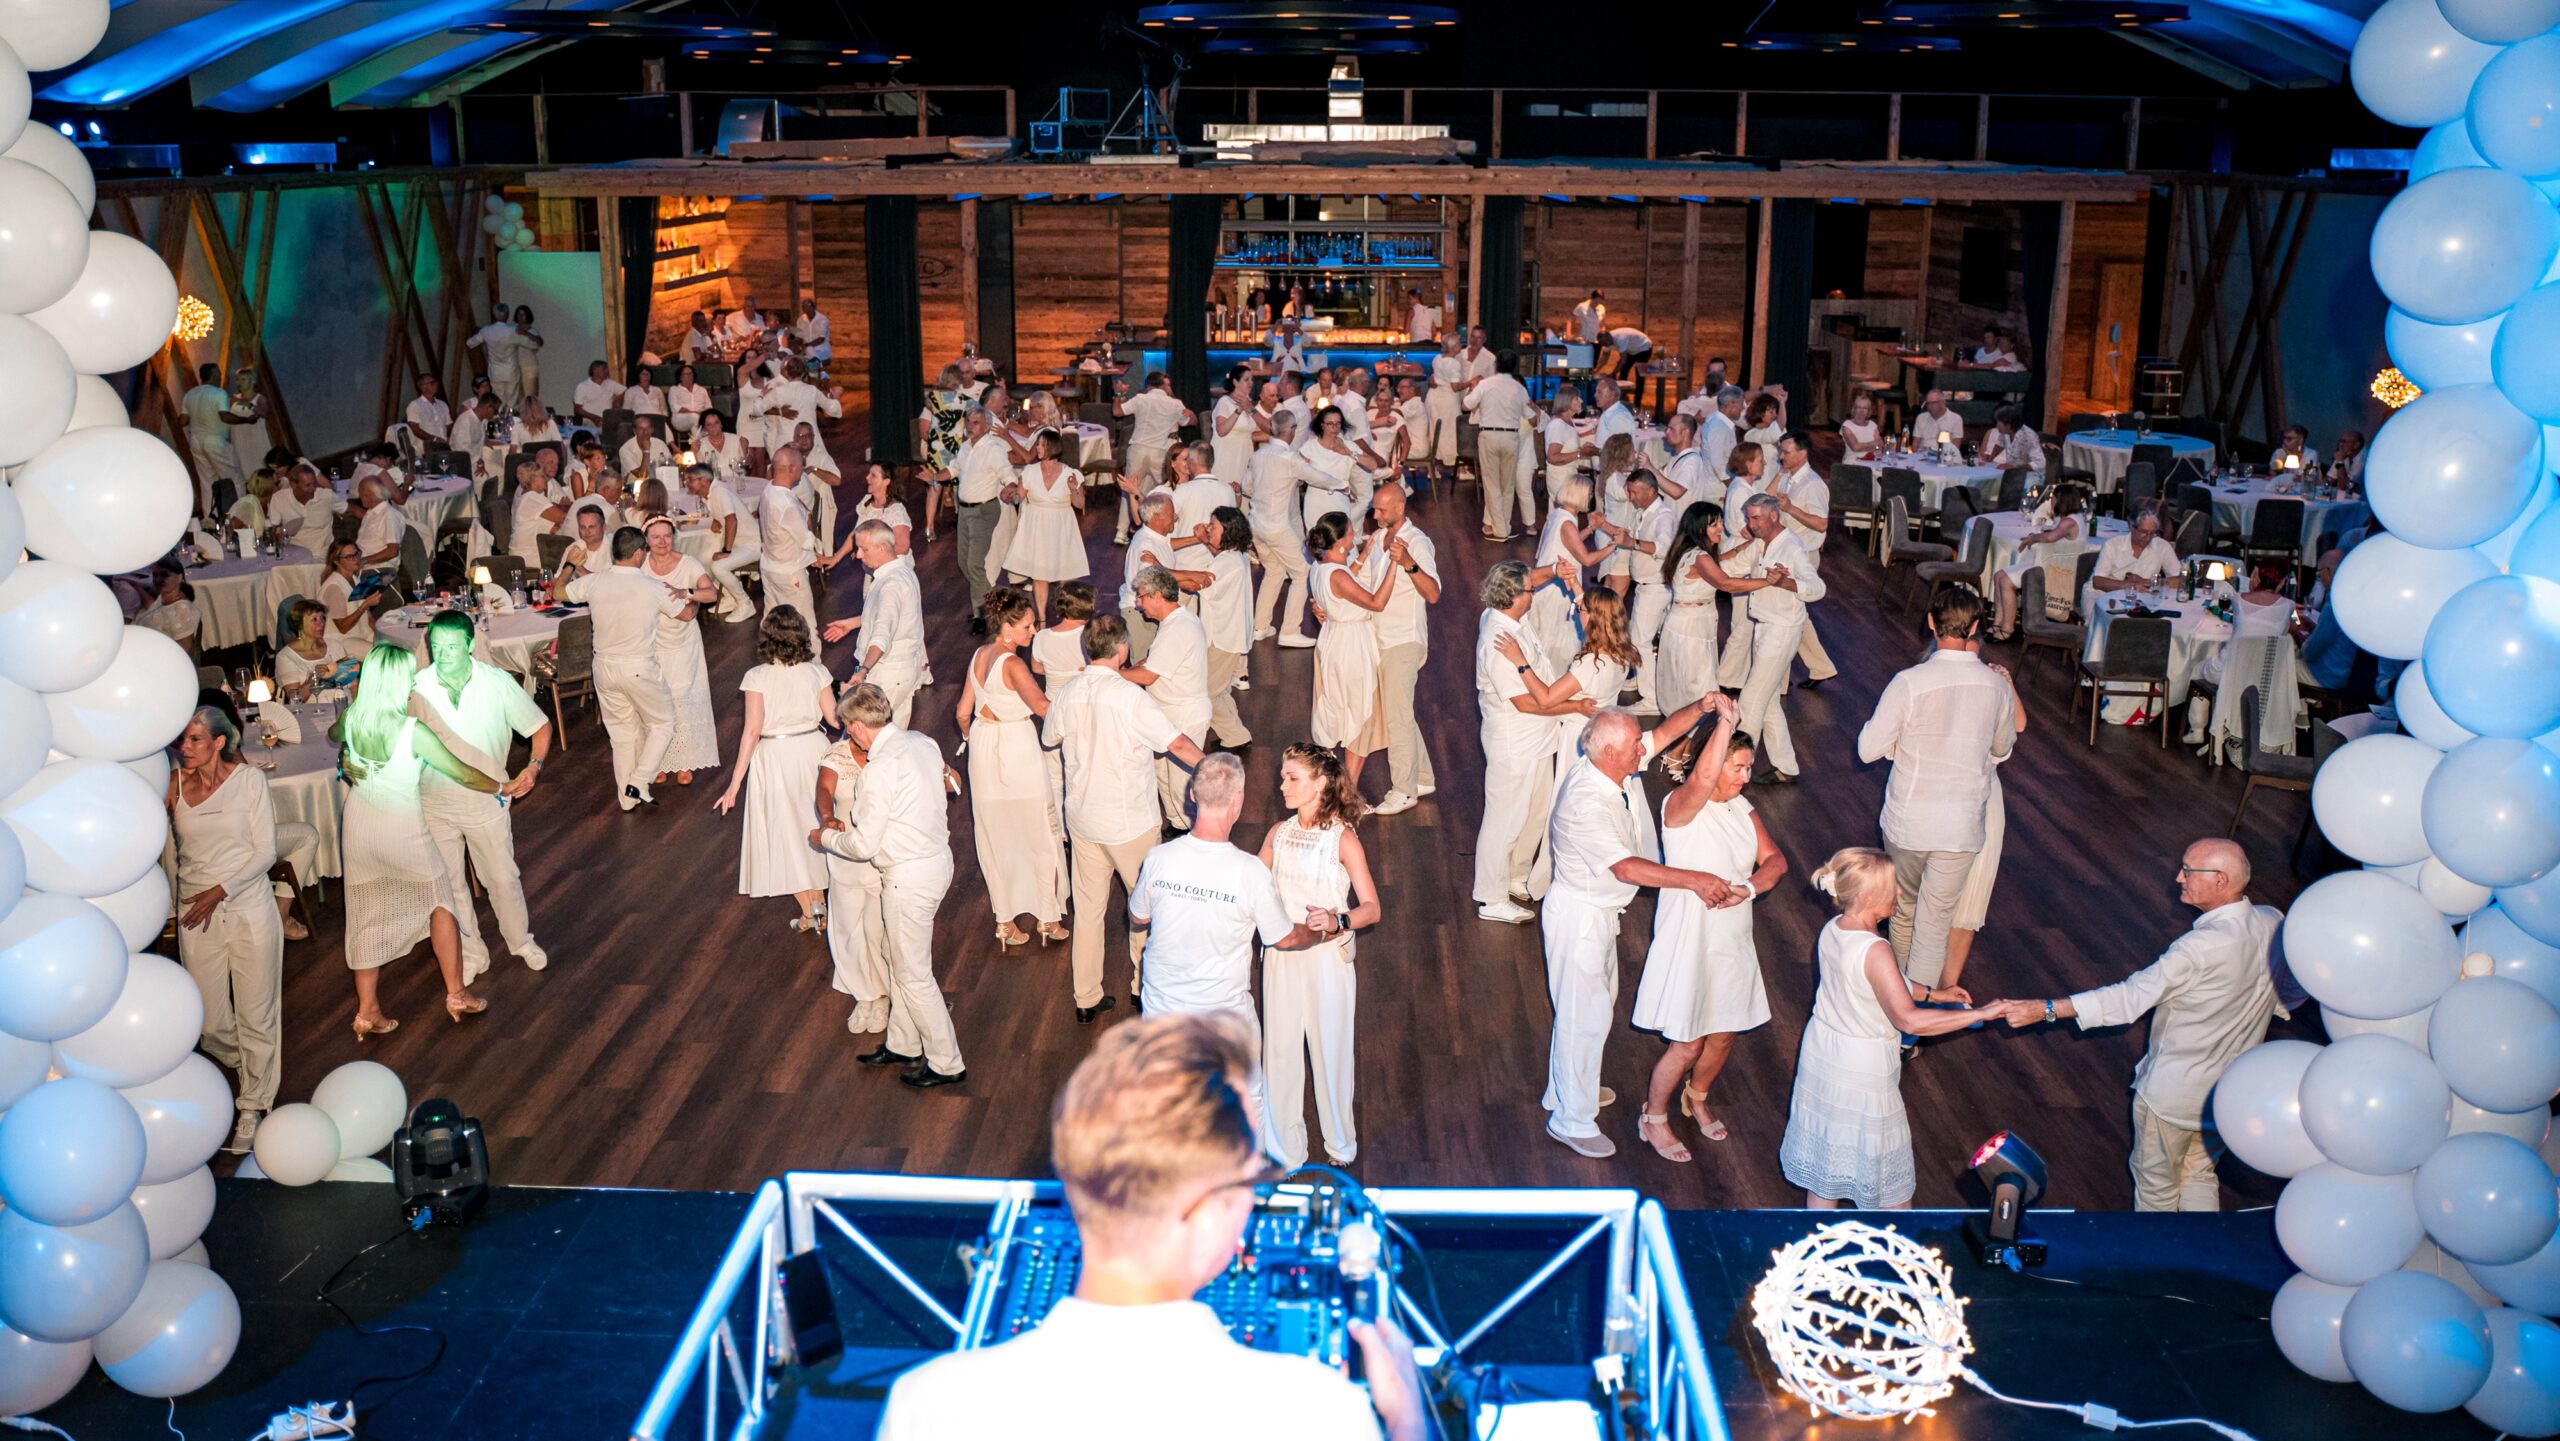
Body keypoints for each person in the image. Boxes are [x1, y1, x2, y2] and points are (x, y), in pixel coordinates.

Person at [874, 1012, 1425, 1441]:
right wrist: (1407, 1423)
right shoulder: (1318, 1412)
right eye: (1252, 1180)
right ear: (1209, 1214)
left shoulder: (924, 1406)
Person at [1993, 838, 2286, 1212]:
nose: (2178, 877)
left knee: (2156, 1191)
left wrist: (2046, 1009)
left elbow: (2128, 999)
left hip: (2172, 1096)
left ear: (2220, 881)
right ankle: (2203, 1263)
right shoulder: (2272, 921)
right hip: (2229, 1093)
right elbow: (2288, 991)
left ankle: (2159, 1268)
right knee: (2200, 1175)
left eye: (2189, 871)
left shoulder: (2197, 949)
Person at [1538, 703, 1721, 1158]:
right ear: (1608, 753)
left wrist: (1703, 708)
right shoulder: (1585, 803)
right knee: (1585, 1017)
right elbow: (1625, 867)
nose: (1645, 749)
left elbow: (1661, 734)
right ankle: (1572, 1120)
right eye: (1635, 745)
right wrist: (1694, 879)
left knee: (1589, 1010)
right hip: (1580, 918)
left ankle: (1563, 1091)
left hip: (1597, 916)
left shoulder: (1614, 764)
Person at [1780, 849, 2001, 1208]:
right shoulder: (1876, 948)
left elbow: (1885, 982)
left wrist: (1935, 992)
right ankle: (1901, 1250)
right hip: (1861, 1067)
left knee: (1827, 1165)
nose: (1899, 892)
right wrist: (1984, 1014)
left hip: (1823, 1052)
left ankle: (1814, 1245)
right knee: (1885, 1177)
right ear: (1867, 897)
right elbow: (1908, 1019)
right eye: (1892, 886)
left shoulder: (1834, 929)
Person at [1628, 697, 1786, 1161]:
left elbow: (1775, 860)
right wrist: (1725, 723)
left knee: (1724, 1032)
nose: (1744, 776)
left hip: (1732, 937)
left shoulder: (1744, 808)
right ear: (1712, 763)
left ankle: (1696, 1097)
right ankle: (1653, 1116)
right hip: (1689, 939)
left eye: (1747, 767)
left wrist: (1750, 890)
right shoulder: (1681, 809)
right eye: (1736, 767)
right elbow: (1699, 779)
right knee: (1688, 1039)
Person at [1045, 615, 1209, 1023]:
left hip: (1082, 818)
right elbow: (1176, 743)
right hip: (1129, 821)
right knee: (1146, 908)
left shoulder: (1068, 693)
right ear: (1123, 650)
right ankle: (1142, 988)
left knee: (1088, 911)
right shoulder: (1132, 698)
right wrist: (1215, 770)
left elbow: (1050, 737)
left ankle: (1086, 997)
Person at [1857, 586, 2020, 995]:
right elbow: (2001, 749)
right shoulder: (1996, 686)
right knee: (1935, 923)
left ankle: (1894, 1007)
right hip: (1962, 827)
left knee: (1905, 913)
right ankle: (1912, 1024)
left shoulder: (1910, 682)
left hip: (1910, 821)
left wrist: (1900, 745)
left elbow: (1867, 749)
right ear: (1977, 626)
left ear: (1931, 623)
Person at [337, 643, 500, 1037]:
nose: (412, 680)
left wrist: (346, 754)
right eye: (408, 675)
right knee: (441, 902)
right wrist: (501, 784)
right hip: (402, 829)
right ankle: (457, 993)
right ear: (395, 681)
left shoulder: (351, 720)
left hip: (359, 830)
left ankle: (367, 1012)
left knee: (365, 917)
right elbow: (460, 772)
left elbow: (336, 736)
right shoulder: (412, 731)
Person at [812, 684, 965, 1088]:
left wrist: (824, 838)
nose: (847, 733)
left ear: (860, 727)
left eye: (847, 726)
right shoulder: (923, 742)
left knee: (914, 974)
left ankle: (947, 1061)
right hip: (937, 862)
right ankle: (903, 1042)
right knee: (901, 961)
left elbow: (863, 845)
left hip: (907, 877)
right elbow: (949, 784)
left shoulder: (878, 770)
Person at [1130, 754, 1340, 1040]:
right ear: (1238, 800)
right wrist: (1326, 933)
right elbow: (1285, 938)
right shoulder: (1250, 873)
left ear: (1192, 793)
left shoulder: (1158, 858)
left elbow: (1139, 916)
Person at [406, 611, 554, 985]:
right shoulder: (417, 687)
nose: (444, 654)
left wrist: (533, 766)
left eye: (452, 646)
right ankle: (471, 953)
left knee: (502, 877)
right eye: (436, 646)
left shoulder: (496, 683)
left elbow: (540, 726)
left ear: (471, 645)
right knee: (451, 885)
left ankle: (521, 942)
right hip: (434, 803)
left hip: (487, 801)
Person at [167, 707, 284, 1152]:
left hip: (247, 903)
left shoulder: (248, 782)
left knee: (257, 1012)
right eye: (183, 739)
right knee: (210, 1023)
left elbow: (265, 851)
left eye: (196, 739)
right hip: (196, 912)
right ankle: (257, 1062)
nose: (186, 747)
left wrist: (221, 890)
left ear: (219, 742)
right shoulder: (173, 785)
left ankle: (253, 1103)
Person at [1259, 745, 1381, 1169]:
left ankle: (1340, 1146)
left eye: (1292, 777)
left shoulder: (1342, 839)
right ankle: (1286, 1150)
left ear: (1322, 783)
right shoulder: (1278, 833)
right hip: (1281, 956)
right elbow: (1254, 890)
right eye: (1283, 776)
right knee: (1279, 1051)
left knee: (1330, 1051)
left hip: (1327, 961)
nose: (1283, 785)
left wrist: (1337, 920)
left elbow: (1372, 907)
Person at [1472, 561, 1604, 925]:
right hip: (1515, 742)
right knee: (1504, 818)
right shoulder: (1499, 640)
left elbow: (1532, 577)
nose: (1534, 592)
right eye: (1530, 590)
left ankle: (1515, 876)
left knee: (1534, 814)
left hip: (1538, 739)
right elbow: (1525, 701)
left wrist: (1554, 572)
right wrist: (1573, 706)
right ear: (1515, 597)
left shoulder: (1509, 618)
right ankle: (1491, 896)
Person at [958, 587, 1069, 948]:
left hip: (984, 746)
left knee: (994, 836)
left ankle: (1005, 921)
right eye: (1027, 626)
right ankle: (1048, 918)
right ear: (1007, 626)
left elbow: (962, 711)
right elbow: (1040, 706)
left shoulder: (978, 655)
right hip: (1016, 747)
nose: (1033, 632)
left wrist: (976, 736)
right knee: (1038, 831)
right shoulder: (1013, 663)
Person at [717, 605, 837, 931]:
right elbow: (834, 719)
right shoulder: (817, 672)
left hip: (775, 758)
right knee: (816, 824)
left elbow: (752, 732)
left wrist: (734, 784)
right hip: (814, 750)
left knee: (786, 834)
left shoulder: (757, 677)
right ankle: (819, 903)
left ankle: (811, 910)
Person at [564, 527, 688, 812]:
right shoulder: (652, 587)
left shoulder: (595, 582)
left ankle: (628, 799)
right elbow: (685, 614)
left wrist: (570, 565)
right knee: (663, 723)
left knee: (621, 734)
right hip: (638, 668)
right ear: (637, 554)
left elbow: (560, 591)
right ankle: (639, 780)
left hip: (603, 669)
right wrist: (689, 595)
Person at [1943, 625, 2027, 993]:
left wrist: (2007, 683)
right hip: (1939, 797)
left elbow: (2019, 725)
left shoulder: (1991, 687)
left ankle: (1948, 988)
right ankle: (1916, 990)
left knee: (1970, 903)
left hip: (1985, 798)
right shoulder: (1933, 688)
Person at [1729, 494, 1824, 782]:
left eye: (1755, 518)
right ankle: (1786, 768)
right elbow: (1731, 569)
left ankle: (1735, 769)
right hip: (1764, 627)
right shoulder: (1760, 542)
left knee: (1750, 700)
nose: (1750, 524)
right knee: (1768, 701)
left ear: (1773, 516)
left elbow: (1818, 588)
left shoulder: (1792, 547)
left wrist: (1786, 582)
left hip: (1782, 631)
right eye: (1748, 518)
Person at [1358, 483, 1440, 815]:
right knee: (1401, 711)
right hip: (1380, 638)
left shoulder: (1418, 543)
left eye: (1381, 509)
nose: (1374, 514)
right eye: (1374, 508)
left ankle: (1404, 789)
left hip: (1404, 640)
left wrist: (1408, 562)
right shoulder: (1378, 538)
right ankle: (1422, 776)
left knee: (1397, 715)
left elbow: (1433, 593)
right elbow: (1363, 582)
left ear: (1400, 508)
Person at [1120, 565, 1214, 830]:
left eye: (1141, 597)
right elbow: (1157, 662)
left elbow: (1148, 677)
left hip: (1184, 714)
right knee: (1162, 774)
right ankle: (1177, 825)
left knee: (1182, 785)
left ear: (1157, 595)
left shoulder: (1177, 627)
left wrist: (1110, 672)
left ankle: (1198, 836)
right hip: (1168, 712)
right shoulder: (1176, 622)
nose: (1138, 604)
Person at [1306, 516, 1392, 796]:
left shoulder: (1318, 568)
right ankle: (1347, 794)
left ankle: (1338, 788)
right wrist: (1395, 566)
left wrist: (1364, 555)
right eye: (1352, 532)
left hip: (1332, 640)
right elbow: (1376, 603)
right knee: (1358, 715)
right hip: (1351, 648)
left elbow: (1343, 582)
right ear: (1341, 541)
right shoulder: (1338, 575)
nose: (1356, 534)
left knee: (1339, 710)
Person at [639, 517, 721, 784]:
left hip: (683, 642)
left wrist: (686, 592)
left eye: (666, 536)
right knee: (657, 701)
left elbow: (711, 593)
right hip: (651, 641)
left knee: (682, 697)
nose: (662, 542)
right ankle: (658, 762)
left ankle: (684, 763)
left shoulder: (688, 563)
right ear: (647, 540)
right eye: (656, 537)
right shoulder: (640, 566)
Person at [823, 520, 925, 727]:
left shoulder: (891, 585)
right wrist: (852, 623)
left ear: (883, 547)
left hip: (887, 674)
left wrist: (863, 670)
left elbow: (882, 636)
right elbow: (892, 617)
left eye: (863, 549)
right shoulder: (901, 572)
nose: (858, 555)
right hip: (903, 671)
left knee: (866, 736)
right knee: (894, 741)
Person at [1248, 411, 1329, 647]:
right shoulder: (1290, 458)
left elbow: (1247, 486)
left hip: (1256, 525)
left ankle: (1260, 626)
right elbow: (1319, 478)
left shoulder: (1259, 455)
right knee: (1302, 572)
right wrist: (1342, 485)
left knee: (1273, 571)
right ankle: (1290, 631)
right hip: (1276, 527)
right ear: (1292, 430)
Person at [1530, 477, 1617, 669]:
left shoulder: (1558, 515)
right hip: (1558, 591)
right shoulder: (1568, 523)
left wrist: (1590, 529)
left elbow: (1570, 542)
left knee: (1546, 637)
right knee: (1557, 641)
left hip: (1548, 585)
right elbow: (1586, 558)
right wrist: (1613, 546)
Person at [1002, 429, 1089, 621]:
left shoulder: (1071, 474)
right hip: (1037, 526)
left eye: (1041, 444)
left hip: (1061, 527)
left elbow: (1080, 504)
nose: (1037, 448)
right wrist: (1012, 493)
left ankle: (1065, 616)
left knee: (1064, 576)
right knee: (1039, 576)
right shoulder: (1030, 471)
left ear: (1052, 447)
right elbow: (1019, 499)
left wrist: (1074, 489)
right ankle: (1042, 619)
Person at [1988, 483, 2090, 640]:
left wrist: (2032, 538)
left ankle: (2007, 628)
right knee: (1999, 575)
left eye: (2054, 498)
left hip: (2055, 571)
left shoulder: (2069, 522)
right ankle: (1998, 622)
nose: (2052, 501)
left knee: (2006, 581)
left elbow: (2051, 537)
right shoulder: (2073, 519)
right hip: (2051, 564)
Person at [1197, 509, 1256, 750]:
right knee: (1218, 689)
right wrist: (1205, 541)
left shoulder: (1228, 561)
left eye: (1214, 526)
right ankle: (1236, 734)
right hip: (1228, 634)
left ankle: (1236, 736)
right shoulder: (1234, 556)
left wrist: (1161, 569)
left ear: (1228, 531)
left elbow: (1200, 581)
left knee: (1206, 692)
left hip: (1223, 637)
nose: (1209, 529)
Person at [1116, 373, 1196, 545]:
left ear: (1148, 386)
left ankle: (1121, 533)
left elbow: (1117, 411)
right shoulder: (1175, 403)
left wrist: (1118, 394)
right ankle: (1171, 527)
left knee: (1130, 489)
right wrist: (1189, 412)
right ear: (1161, 386)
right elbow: (1191, 421)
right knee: (1169, 489)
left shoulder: (1140, 398)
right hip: (1160, 452)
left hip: (1138, 450)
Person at [1463, 348, 1534, 541]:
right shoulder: (1519, 388)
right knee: (1507, 485)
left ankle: (1500, 530)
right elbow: (1530, 416)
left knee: (1492, 484)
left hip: (1488, 435)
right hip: (1511, 437)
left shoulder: (1486, 384)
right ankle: (1503, 525)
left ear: (1496, 364)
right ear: (1514, 367)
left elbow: (1466, 405)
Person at [681, 462, 760, 622]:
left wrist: (726, 551)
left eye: (690, 479)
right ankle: (730, 599)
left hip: (752, 545)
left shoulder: (719, 492)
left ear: (703, 481)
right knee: (705, 558)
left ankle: (745, 603)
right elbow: (725, 517)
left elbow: (732, 520)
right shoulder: (710, 494)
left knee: (719, 565)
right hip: (741, 544)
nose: (686, 483)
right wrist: (717, 520)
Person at [759, 445, 823, 626]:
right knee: (805, 626)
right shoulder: (786, 504)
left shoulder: (769, 489)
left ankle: (773, 655)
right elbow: (806, 541)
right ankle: (813, 655)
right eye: (801, 467)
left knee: (772, 624)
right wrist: (809, 519)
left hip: (770, 566)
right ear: (793, 468)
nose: (802, 471)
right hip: (789, 573)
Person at [181, 362, 254, 516]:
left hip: (196, 441)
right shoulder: (218, 393)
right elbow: (224, 416)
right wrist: (246, 420)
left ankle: (209, 520)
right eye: (219, 373)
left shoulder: (190, 394)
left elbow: (183, 420)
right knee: (236, 479)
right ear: (213, 375)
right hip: (215, 441)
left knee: (207, 483)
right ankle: (240, 516)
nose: (221, 376)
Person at [270, 462, 347, 562]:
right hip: (292, 555)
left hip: (320, 555)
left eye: (314, 484)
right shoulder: (279, 498)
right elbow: (272, 530)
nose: (313, 489)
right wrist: (279, 536)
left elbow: (351, 510)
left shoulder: (326, 496)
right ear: (293, 485)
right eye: (308, 485)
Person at [2091, 508, 2180, 592]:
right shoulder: (2112, 545)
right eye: (2144, 532)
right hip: (2101, 593)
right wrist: (2129, 585)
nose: (2148, 537)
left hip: (2140, 596)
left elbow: (2179, 579)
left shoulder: (2162, 546)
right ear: (2131, 527)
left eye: (2152, 533)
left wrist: (2145, 581)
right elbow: (2097, 582)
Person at [273, 599, 337, 700]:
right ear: (299, 624)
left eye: (323, 618)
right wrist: (312, 680)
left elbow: (353, 685)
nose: (321, 624)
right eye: (314, 619)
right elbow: (296, 699)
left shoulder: (334, 646)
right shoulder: (286, 657)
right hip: (315, 712)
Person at [1033, 581, 1094, 681]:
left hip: (1053, 696)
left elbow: (1037, 669)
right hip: (1084, 693)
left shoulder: (1041, 636)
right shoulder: (1091, 633)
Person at [470, 304, 522, 407]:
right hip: (511, 370)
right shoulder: (514, 330)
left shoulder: (486, 330)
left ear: (494, 315)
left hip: (495, 372)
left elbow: (470, 343)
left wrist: (477, 332)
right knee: (512, 400)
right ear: (507, 315)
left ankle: (499, 419)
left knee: (498, 400)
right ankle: (511, 419)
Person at [1978, 403, 2045, 482]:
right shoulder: (2005, 433)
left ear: (2008, 425)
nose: (1996, 426)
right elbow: (2000, 444)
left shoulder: (2028, 436)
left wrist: (2014, 468)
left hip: (2030, 478)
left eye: (1999, 423)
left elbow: (2041, 462)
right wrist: (1991, 457)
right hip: (2012, 474)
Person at [406, 374, 452, 449]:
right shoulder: (415, 405)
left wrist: (448, 437)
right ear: (423, 387)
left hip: (445, 445)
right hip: (426, 448)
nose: (436, 384)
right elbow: (414, 429)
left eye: (435, 382)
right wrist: (434, 439)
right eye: (432, 383)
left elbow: (449, 425)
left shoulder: (442, 404)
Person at [1839, 391, 1883, 460]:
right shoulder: (1847, 425)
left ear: (1868, 411)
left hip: (1872, 460)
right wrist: (1874, 444)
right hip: (1853, 460)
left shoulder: (1872, 425)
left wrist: (1862, 445)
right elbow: (1855, 447)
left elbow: (1879, 446)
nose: (1861, 411)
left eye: (1865, 408)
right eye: (1859, 407)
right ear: (1854, 409)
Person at [793, 298, 832, 363]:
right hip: (806, 351)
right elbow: (799, 337)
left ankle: (816, 365)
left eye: (809, 307)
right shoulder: (800, 320)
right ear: (803, 309)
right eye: (805, 307)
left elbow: (821, 339)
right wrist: (795, 343)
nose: (807, 309)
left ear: (814, 307)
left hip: (821, 351)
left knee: (809, 350)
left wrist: (806, 345)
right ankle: (816, 366)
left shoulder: (823, 319)